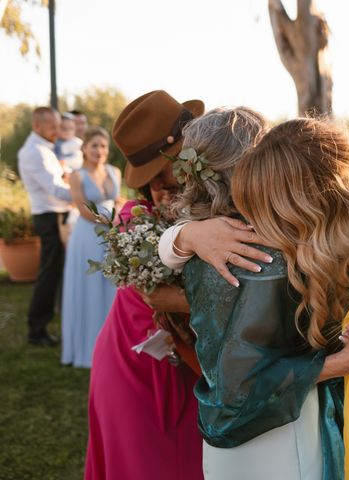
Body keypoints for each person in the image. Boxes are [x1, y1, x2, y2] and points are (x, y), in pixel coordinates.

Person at [161, 117, 349, 480]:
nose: (264, 212)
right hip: (318, 399)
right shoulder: (289, 230)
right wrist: (187, 234)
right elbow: (166, 251)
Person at [85, 91, 206, 480]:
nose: (160, 189)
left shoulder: (217, 200)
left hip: (190, 367)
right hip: (135, 373)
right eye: (150, 180)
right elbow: (155, 296)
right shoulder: (134, 220)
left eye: (164, 173)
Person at [60, 127, 121, 368]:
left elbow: (117, 201)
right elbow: (83, 209)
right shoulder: (77, 175)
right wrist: (111, 220)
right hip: (87, 237)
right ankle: (86, 348)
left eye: (103, 146)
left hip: (113, 236)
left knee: (111, 286)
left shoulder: (115, 171)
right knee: (89, 287)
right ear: (84, 148)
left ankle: (112, 345)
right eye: (94, 145)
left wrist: (124, 217)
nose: (99, 150)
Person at [17, 107, 71, 347]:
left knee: (54, 273)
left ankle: (44, 323)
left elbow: (59, 182)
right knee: (48, 274)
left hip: (56, 214)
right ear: (37, 126)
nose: (58, 131)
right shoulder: (35, 153)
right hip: (49, 218)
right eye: (53, 126)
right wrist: (88, 193)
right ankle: (36, 329)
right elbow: (56, 190)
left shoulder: (45, 149)